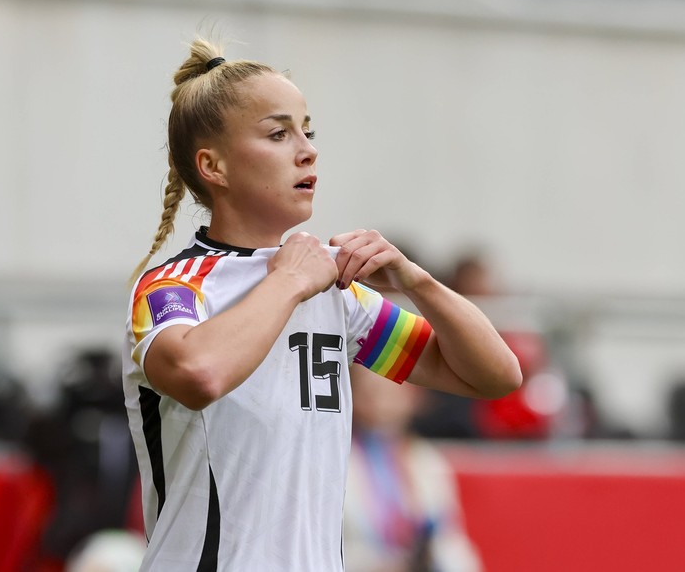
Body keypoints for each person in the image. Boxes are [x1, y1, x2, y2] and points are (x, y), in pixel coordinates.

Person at [122, 36, 522, 571]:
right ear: (213, 167)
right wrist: (288, 280)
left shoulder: (338, 296)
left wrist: (416, 280)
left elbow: (494, 376)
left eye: (308, 131)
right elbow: (199, 373)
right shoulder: (173, 287)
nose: (307, 149)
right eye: (278, 133)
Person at [345, 372, 483, 572]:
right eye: (370, 391)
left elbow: (450, 542)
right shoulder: (337, 460)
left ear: (414, 397)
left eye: (392, 391)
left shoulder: (428, 463)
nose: (381, 401)